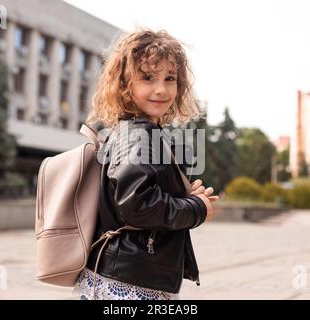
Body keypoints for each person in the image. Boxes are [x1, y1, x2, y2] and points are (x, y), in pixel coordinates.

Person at [73, 28, 220, 300]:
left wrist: (184, 196)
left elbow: (139, 196)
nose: (161, 89)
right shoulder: (138, 134)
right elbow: (137, 206)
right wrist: (197, 208)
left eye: (170, 78)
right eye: (148, 77)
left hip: (127, 275)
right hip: (128, 281)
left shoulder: (141, 131)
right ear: (124, 84)